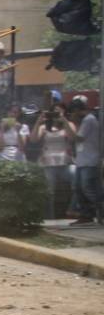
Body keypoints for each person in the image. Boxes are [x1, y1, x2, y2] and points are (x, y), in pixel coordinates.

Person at [72, 97, 102, 226]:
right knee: (78, 188)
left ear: (78, 110)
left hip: (90, 160)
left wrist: (66, 122)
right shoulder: (84, 120)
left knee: (88, 188)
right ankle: (86, 214)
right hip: (82, 160)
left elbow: (78, 138)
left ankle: (99, 211)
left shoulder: (89, 120)